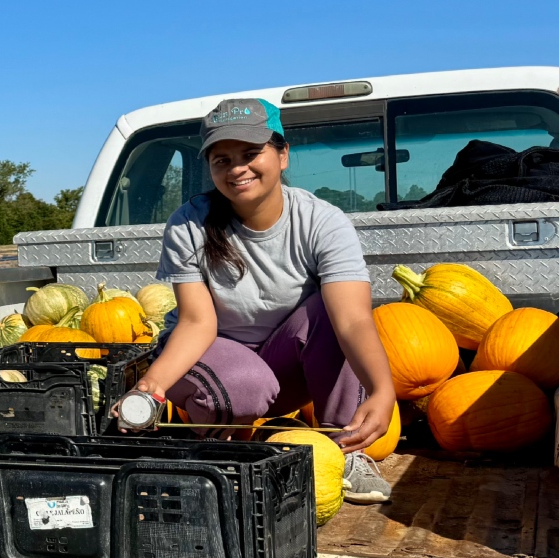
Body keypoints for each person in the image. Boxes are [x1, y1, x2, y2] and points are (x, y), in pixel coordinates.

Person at [139, 97, 396, 504]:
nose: (237, 168)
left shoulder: (322, 221)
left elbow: (353, 321)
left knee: (329, 314)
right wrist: (149, 388)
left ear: (283, 155)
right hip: (212, 360)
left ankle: (344, 450)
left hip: (282, 367)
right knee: (244, 383)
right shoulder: (189, 224)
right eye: (221, 159)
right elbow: (196, 323)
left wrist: (383, 390)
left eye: (250, 153)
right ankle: (218, 452)